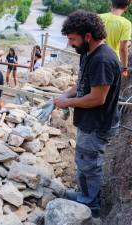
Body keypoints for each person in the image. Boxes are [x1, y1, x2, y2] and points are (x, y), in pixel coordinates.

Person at [55, 10, 121, 217]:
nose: (71, 44)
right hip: (89, 121)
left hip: (98, 123)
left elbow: (97, 98)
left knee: (90, 164)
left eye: (73, 39)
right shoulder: (87, 53)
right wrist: (65, 95)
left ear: (88, 36)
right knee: (84, 160)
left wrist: (68, 103)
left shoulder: (103, 60)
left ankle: (90, 205)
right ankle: (85, 196)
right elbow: (82, 84)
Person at [100, 0, 132, 77]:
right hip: (111, 60)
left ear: (111, 4)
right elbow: (122, 48)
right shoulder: (126, 24)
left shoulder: (98, 17)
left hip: (94, 56)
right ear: (126, 8)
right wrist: (124, 68)